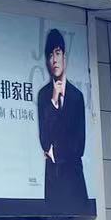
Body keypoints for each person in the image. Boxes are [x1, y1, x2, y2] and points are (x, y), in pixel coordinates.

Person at [37, 28, 88, 210]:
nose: (54, 60)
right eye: (50, 55)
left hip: (74, 179)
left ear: (64, 57)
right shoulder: (44, 95)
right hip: (53, 180)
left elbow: (79, 145)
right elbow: (44, 140)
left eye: (57, 53)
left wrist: (54, 153)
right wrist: (53, 102)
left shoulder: (76, 96)